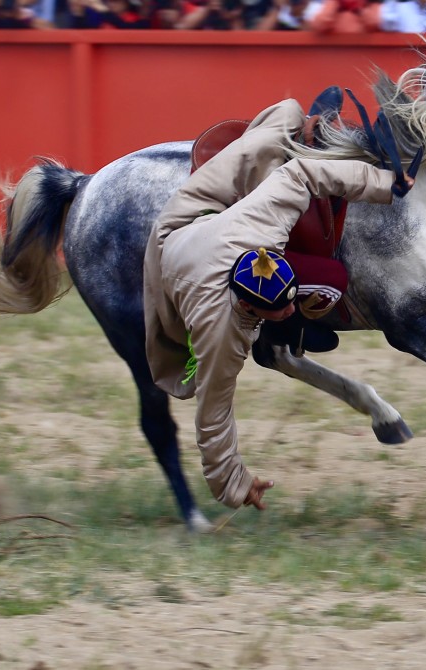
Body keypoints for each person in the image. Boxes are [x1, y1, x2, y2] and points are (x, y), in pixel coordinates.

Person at [143, 95, 406, 510]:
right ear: (248, 310)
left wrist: (387, 183)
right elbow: (213, 416)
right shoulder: (221, 330)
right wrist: (232, 484)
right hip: (172, 245)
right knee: (191, 377)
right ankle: (269, 345)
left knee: (286, 118)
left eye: (289, 302)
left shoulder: (261, 227)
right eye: (280, 312)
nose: (287, 309)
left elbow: (303, 171)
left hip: (204, 216)